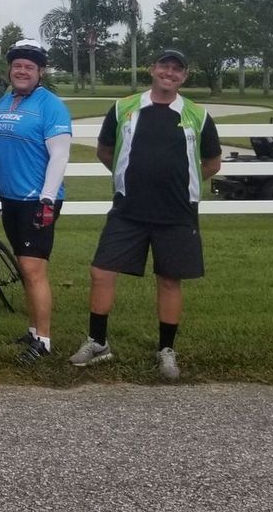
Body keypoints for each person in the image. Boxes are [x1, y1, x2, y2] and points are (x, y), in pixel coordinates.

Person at [70, 49, 221, 380]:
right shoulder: (124, 108)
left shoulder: (198, 115)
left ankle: (166, 349)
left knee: (169, 279)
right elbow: (105, 151)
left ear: (184, 76)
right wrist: (128, 176)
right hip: (129, 210)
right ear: (153, 69)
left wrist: (182, 182)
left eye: (177, 69)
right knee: (101, 271)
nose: (170, 72)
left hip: (177, 212)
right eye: (164, 66)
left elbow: (212, 163)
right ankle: (98, 342)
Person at [0, 39, 72, 364]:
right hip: (10, 198)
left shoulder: (51, 105)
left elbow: (60, 156)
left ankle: (44, 341)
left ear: (40, 71)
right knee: (25, 267)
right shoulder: (5, 101)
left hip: (37, 199)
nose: (22, 71)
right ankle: (34, 330)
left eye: (29, 67)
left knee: (33, 270)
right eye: (17, 66)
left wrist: (47, 199)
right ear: (10, 69)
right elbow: (1, 150)